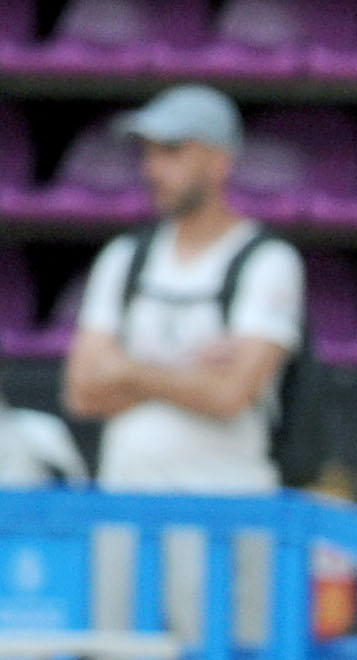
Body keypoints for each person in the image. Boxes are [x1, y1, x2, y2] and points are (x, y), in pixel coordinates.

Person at [60, 85, 302, 494]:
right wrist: (190, 372)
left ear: (220, 160)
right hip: (127, 511)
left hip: (229, 514)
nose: (152, 169)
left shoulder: (268, 260)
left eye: (172, 151)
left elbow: (231, 396)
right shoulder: (123, 256)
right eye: (149, 153)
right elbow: (81, 392)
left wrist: (124, 371)